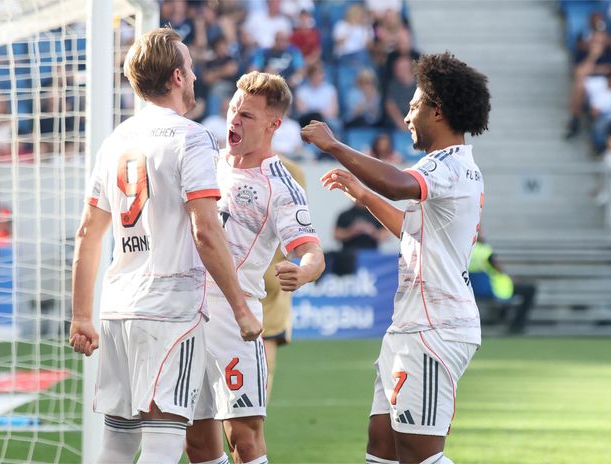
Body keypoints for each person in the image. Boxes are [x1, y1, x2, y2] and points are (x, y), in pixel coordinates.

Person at [68, 28, 262, 464]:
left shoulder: (115, 141)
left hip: (118, 308)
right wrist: (241, 308)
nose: (194, 77)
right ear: (177, 77)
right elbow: (206, 231)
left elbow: (87, 234)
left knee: (117, 443)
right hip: (169, 308)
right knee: (163, 440)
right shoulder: (191, 138)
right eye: (190, 68)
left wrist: (82, 315)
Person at [302, 52, 491, 464]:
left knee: (419, 455)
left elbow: (400, 183)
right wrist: (364, 195)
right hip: (412, 324)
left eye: (413, 106)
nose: (407, 116)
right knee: (382, 447)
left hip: (434, 327)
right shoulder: (449, 166)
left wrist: (335, 146)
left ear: (437, 111)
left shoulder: (449, 165)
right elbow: (412, 229)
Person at [185, 71, 324, 464]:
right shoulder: (205, 164)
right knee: (196, 439)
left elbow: (313, 251)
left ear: (273, 124)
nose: (234, 119)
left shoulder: (282, 184)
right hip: (186, 309)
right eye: (232, 109)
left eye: (246, 115)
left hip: (235, 318)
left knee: (243, 438)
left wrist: (304, 270)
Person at [260, 155, 307, 401]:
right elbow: (296, 231)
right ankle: (253, 430)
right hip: (272, 275)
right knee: (264, 368)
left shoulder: (221, 163)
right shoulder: (291, 170)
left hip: (234, 276)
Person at [468, 235, 537, 335]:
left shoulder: (467, 251)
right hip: (496, 288)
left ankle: (501, 316)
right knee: (530, 290)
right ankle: (517, 325)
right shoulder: (484, 251)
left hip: (473, 290)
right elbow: (499, 269)